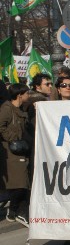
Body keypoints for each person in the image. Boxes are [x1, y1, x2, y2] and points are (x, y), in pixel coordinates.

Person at [0, 83, 33, 227]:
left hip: (20, 150)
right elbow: (1, 126)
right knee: (19, 184)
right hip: (11, 151)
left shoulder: (20, 109)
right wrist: (12, 137)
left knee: (23, 183)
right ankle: (14, 210)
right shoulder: (7, 109)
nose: (29, 96)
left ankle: (14, 213)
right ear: (20, 95)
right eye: (27, 93)